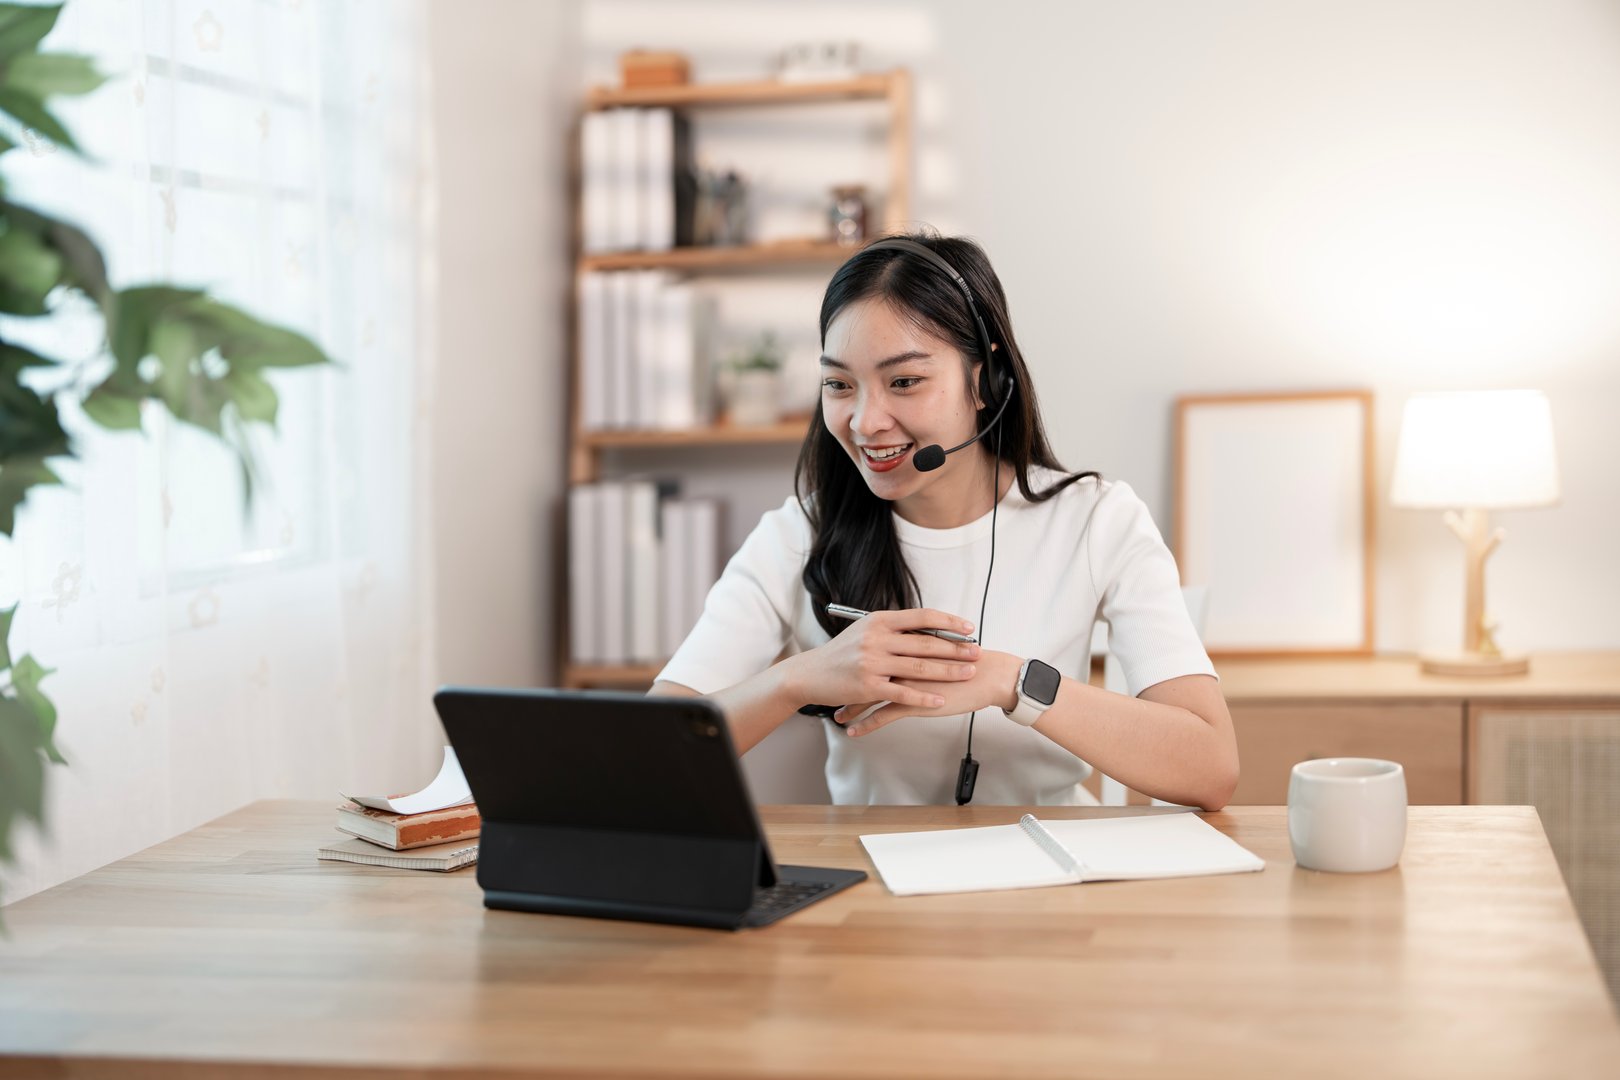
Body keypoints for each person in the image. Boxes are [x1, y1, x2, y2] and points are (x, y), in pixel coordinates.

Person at [652, 232, 1239, 810]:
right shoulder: (799, 532)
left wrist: (1014, 683)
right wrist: (797, 679)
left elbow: (1210, 768)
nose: (865, 421)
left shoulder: (1095, 520)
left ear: (987, 381)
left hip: (1054, 875)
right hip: (876, 886)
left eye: (904, 382)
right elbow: (647, 752)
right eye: (839, 384)